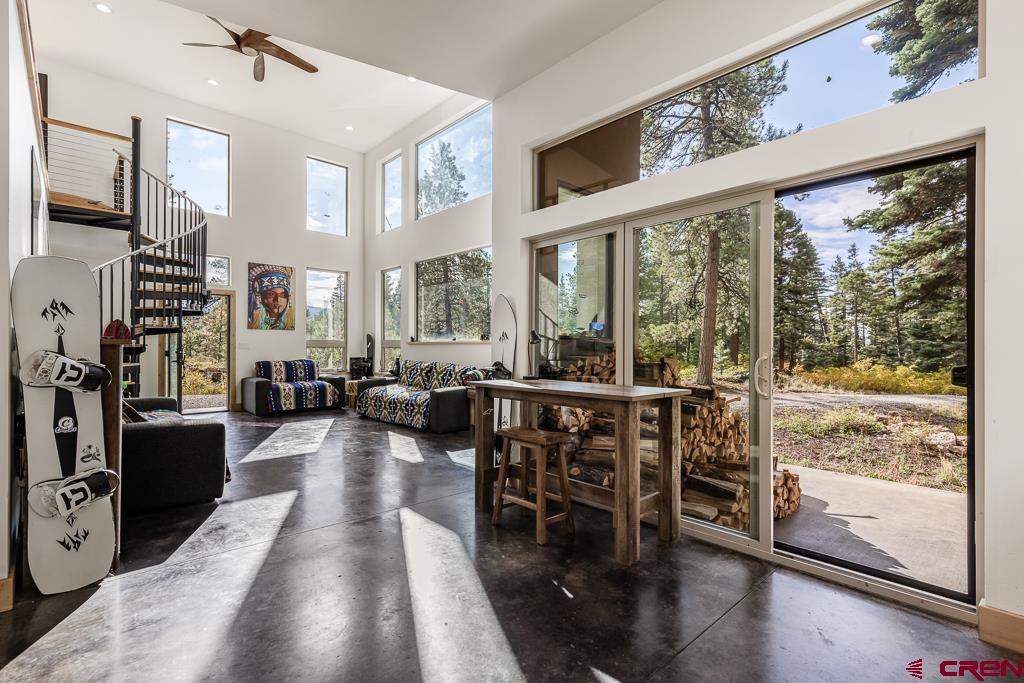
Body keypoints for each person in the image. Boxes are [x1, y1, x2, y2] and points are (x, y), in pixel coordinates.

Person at [249, 266, 295, 330]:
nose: (278, 299)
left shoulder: (289, 325)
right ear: (259, 297)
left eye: (283, 295)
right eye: (271, 294)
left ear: (288, 298)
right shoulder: (250, 323)